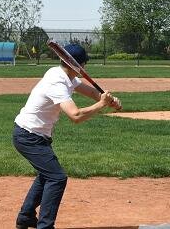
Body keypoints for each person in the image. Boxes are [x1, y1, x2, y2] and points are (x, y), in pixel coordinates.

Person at [12, 44, 122, 229]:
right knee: (57, 178)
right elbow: (75, 116)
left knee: (46, 175)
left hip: (35, 135)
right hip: (28, 136)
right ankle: (45, 226)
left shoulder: (65, 75)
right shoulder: (57, 81)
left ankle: (26, 217)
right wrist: (101, 105)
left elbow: (92, 92)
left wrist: (108, 100)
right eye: (85, 63)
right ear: (80, 65)